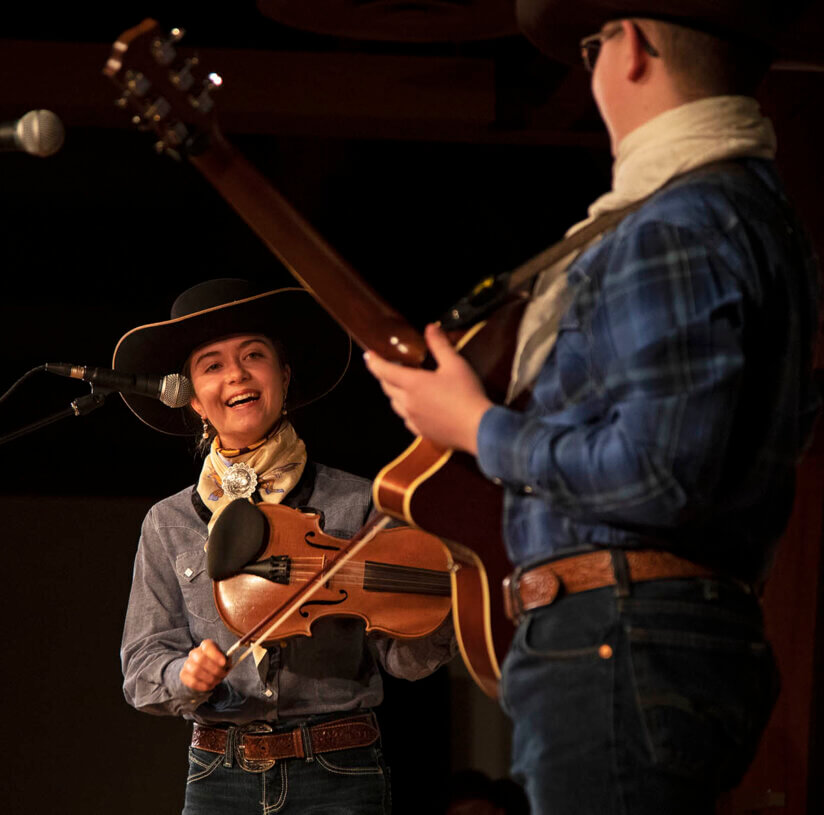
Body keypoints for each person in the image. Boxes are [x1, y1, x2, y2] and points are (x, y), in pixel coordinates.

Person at [364, 2, 820, 814]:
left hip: (622, 634)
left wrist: (474, 426)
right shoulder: (751, 212)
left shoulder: (673, 224)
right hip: (658, 634)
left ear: (633, 46)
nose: (591, 66)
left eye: (592, 43)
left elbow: (660, 472)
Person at [117, 278, 457, 814]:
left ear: (284, 376)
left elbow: (402, 661)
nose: (236, 374)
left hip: (339, 769)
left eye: (254, 355)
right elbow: (141, 665)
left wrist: (443, 603)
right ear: (194, 400)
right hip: (217, 773)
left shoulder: (361, 502)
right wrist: (181, 675)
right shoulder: (169, 522)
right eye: (211, 365)